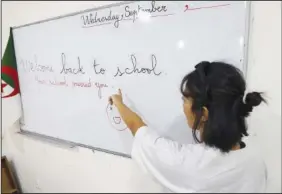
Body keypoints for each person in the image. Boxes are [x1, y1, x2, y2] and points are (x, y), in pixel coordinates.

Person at [109, 61, 267, 193]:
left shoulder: (189, 163)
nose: (182, 106)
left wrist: (118, 102)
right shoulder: (256, 161)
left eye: (185, 100)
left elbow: (137, 128)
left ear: (203, 114)